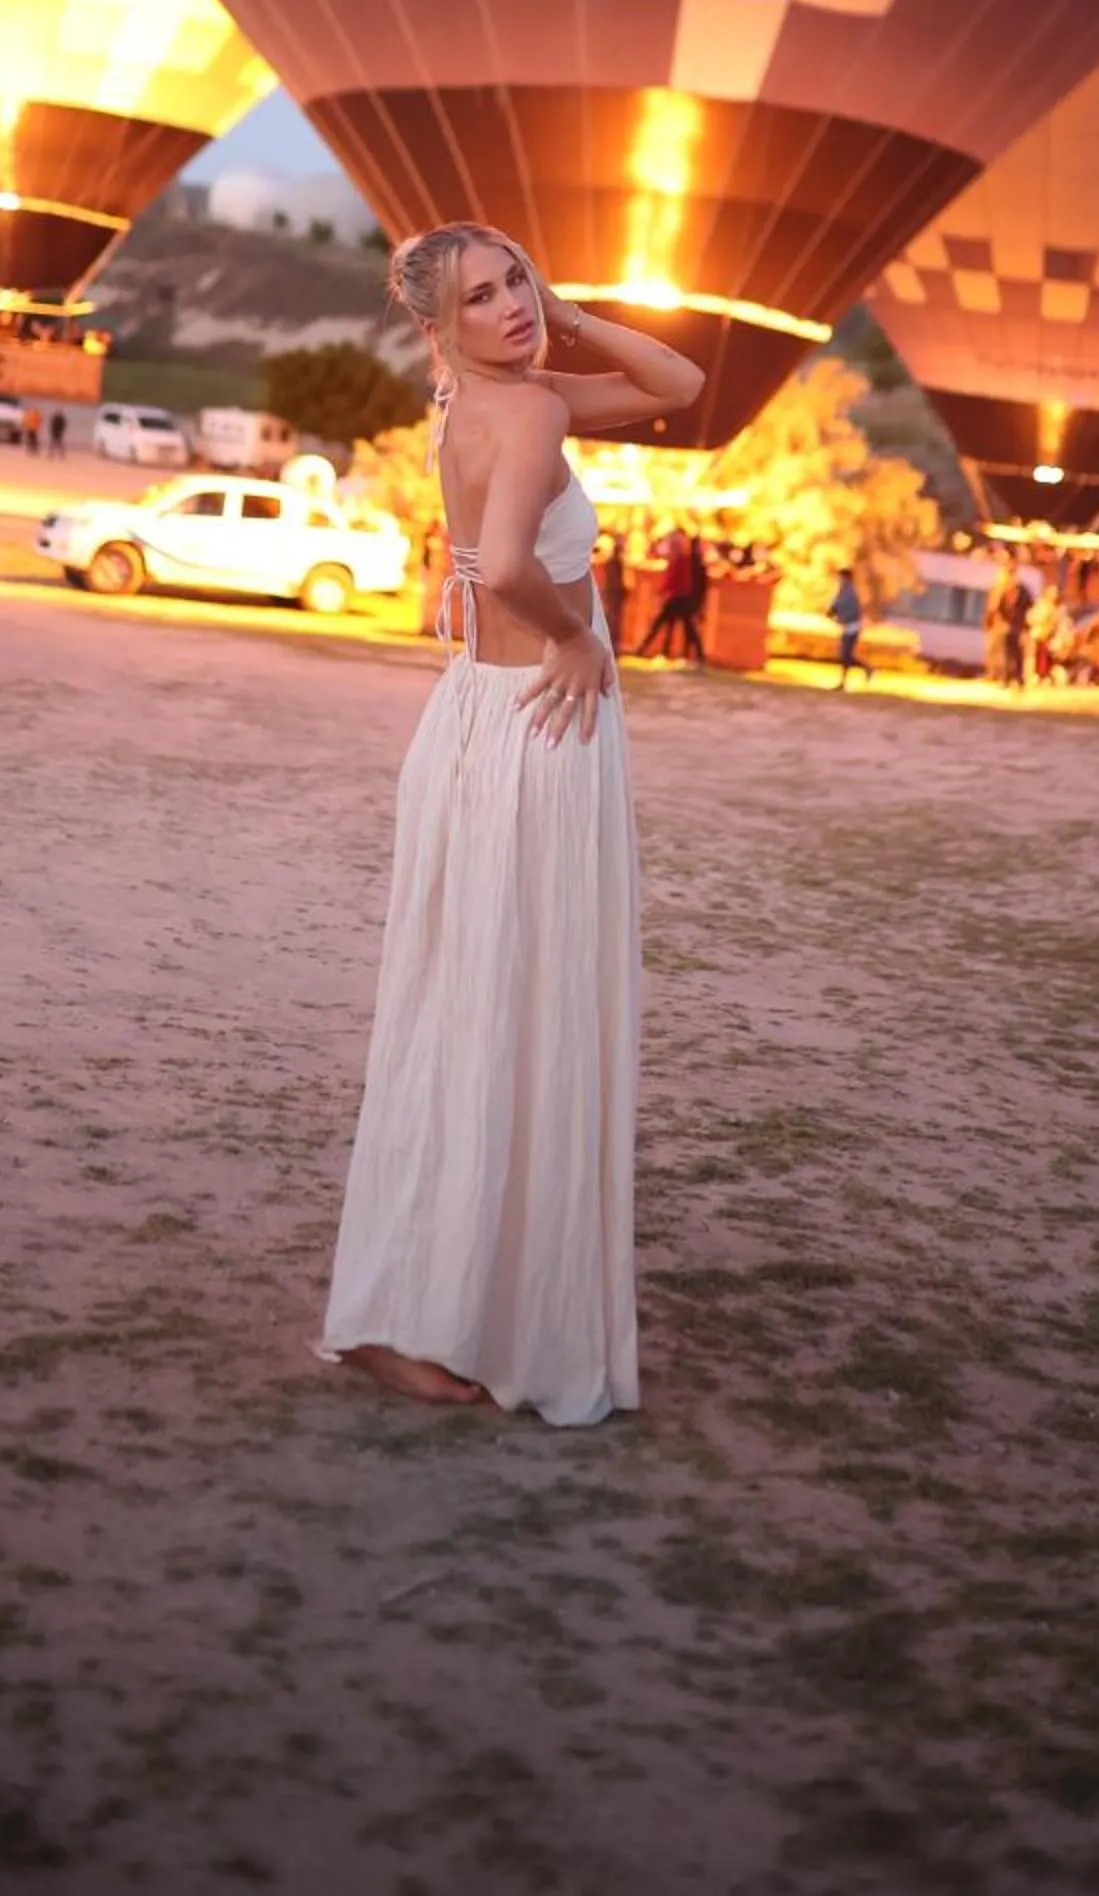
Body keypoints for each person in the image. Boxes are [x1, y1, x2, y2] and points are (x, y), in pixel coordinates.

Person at [320, 221, 703, 1425]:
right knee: (518, 1023)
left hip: (486, 721)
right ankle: (452, 1317)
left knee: (472, 1023)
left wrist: (568, 314)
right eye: (480, 298)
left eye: (516, 282)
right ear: (438, 327)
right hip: (538, 722)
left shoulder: (486, 401)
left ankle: (418, 1311)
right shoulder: (527, 411)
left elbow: (680, 385)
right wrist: (579, 637)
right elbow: (497, 566)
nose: (511, 308)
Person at [638, 525, 706, 665]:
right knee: (681, 626)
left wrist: (662, 592)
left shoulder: (679, 559)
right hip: (682, 597)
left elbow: (673, 579)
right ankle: (693, 654)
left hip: (676, 597)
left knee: (663, 624)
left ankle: (647, 649)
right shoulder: (685, 558)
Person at [983, 555, 1029, 688]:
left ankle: (1009, 679)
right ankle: (1015, 679)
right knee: (1014, 654)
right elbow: (1029, 605)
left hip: (1007, 626)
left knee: (1009, 654)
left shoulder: (1003, 587)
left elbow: (994, 607)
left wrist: (990, 622)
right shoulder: (1019, 589)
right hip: (1013, 626)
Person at [828, 564, 867, 688]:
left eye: (841, 578)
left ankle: (845, 681)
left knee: (846, 655)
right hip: (848, 627)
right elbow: (836, 605)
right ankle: (865, 669)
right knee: (846, 655)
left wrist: (840, 617)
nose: (839, 580)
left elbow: (852, 611)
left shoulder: (850, 593)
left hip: (852, 627)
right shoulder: (844, 591)